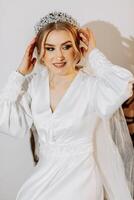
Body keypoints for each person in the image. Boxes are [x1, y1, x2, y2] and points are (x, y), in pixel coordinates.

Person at [0, 11, 134, 200]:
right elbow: (6, 120)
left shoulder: (91, 86)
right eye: (50, 48)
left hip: (81, 179)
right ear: (40, 52)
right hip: (43, 177)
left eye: (66, 46)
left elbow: (123, 85)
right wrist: (19, 74)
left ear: (78, 48)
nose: (59, 56)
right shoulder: (34, 85)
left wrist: (94, 55)